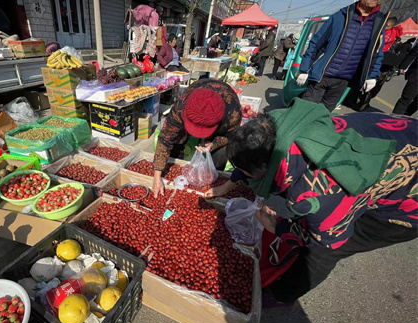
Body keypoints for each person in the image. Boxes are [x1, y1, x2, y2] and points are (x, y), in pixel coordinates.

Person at [207, 98, 417, 302]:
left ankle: (283, 294)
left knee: (327, 249)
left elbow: (324, 242)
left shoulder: (317, 191)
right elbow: (254, 159)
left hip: (409, 193)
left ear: (264, 171)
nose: (242, 174)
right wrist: (228, 185)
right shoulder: (283, 126)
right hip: (400, 133)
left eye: (245, 172)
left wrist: (278, 228)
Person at [297, 0, 393, 112]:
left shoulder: (378, 22)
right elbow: (316, 42)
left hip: (343, 80)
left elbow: (376, 52)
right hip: (322, 75)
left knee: (323, 115)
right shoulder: (341, 16)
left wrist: (372, 75)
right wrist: (304, 69)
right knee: (303, 111)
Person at [152, 79, 241, 197]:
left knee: (220, 154)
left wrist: (214, 143)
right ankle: (177, 161)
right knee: (176, 142)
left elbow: (229, 136)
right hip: (193, 100)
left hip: (222, 118)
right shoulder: (181, 107)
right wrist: (157, 176)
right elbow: (166, 138)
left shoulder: (232, 113)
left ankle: (214, 180)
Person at [392, 42, 417, 116]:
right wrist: (403, 66)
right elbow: (412, 54)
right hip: (416, 75)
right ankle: (394, 119)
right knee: (406, 99)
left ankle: (405, 116)